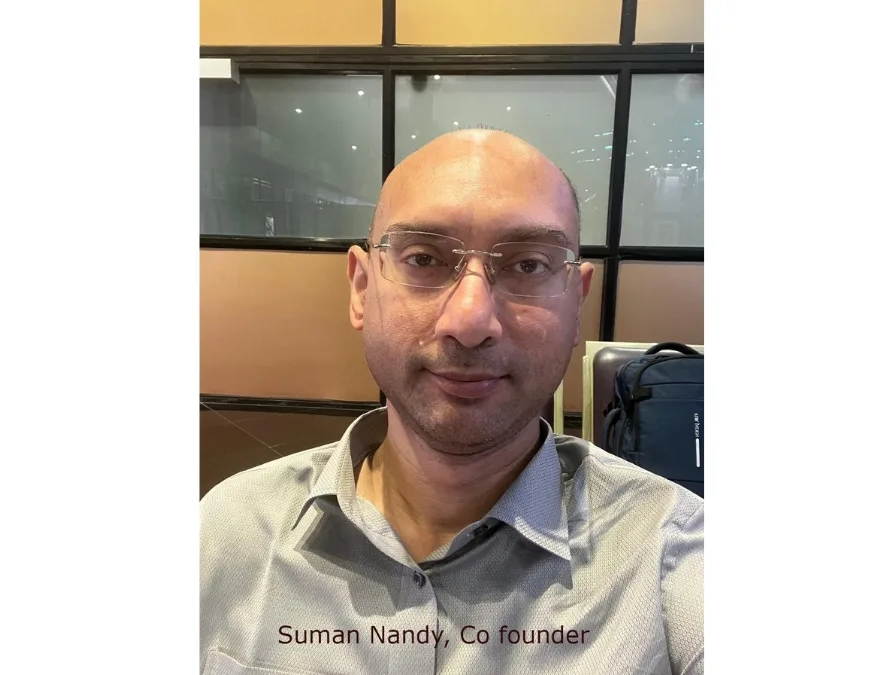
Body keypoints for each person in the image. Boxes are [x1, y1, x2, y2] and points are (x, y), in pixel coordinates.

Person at [201, 130, 704, 674]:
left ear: (576, 304)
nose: (470, 322)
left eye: (528, 265)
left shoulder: (673, 552)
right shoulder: (226, 531)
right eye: (424, 258)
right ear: (361, 288)